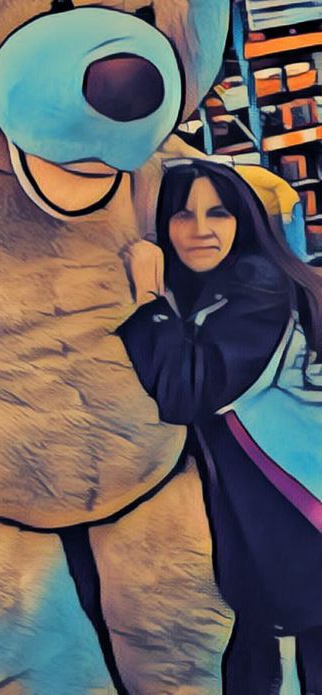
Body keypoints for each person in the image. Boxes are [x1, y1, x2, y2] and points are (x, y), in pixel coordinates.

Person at [117, 158, 322, 695]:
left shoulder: (258, 286)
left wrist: (147, 300)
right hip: (278, 514)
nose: (201, 229)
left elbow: (188, 390)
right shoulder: (223, 289)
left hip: (301, 510)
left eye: (218, 214)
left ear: (244, 220)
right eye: (183, 214)